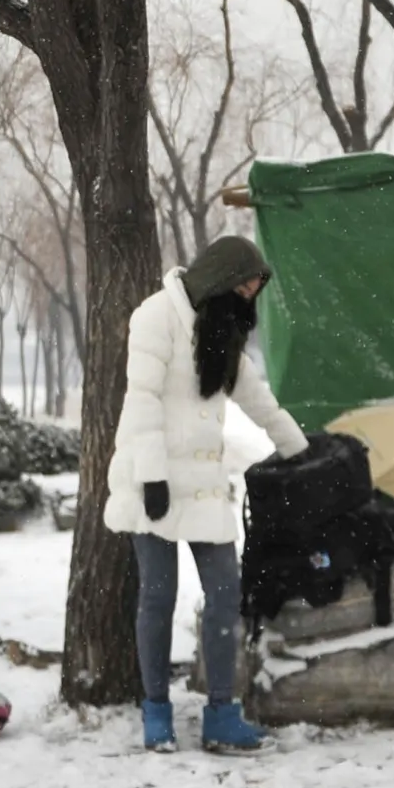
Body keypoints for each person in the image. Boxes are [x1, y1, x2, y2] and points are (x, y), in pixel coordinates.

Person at [106, 235, 310, 756]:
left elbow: (257, 399)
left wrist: (299, 450)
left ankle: (223, 714)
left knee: (224, 594)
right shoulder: (156, 316)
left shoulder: (222, 332)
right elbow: (143, 398)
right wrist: (151, 476)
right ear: (219, 278)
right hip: (152, 479)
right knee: (158, 596)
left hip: (203, 486)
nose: (247, 297)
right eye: (242, 285)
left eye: (253, 290)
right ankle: (156, 712)